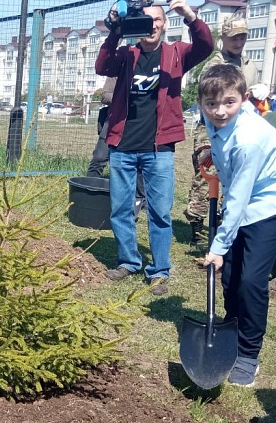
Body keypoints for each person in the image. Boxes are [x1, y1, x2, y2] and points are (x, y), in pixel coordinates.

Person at [95, 0, 213, 295]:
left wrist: (190, 16)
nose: (152, 25)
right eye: (146, 20)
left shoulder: (177, 54)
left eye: (157, 20)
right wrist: (114, 30)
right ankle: (128, 262)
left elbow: (205, 45)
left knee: (160, 211)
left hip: (159, 149)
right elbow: (101, 66)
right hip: (122, 146)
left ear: (164, 24)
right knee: (121, 209)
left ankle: (159, 270)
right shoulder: (126, 54)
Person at [199, 64, 276, 387]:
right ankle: (230, 336)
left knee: (250, 283)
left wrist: (217, 247)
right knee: (230, 279)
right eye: (212, 104)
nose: (219, 112)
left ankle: (247, 354)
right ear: (202, 101)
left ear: (244, 99)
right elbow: (219, 141)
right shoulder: (213, 116)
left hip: (267, 208)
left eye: (229, 103)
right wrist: (211, 152)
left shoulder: (249, 140)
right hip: (239, 202)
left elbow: (242, 199)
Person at [184, 11, 258, 247]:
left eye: (242, 37)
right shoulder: (215, 64)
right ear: (223, 38)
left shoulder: (249, 65)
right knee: (206, 175)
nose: (238, 42)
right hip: (210, 128)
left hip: (239, 127)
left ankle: (223, 224)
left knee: (234, 176)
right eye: (234, 37)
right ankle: (196, 224)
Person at [86, 77, 146, 216]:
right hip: (114, 121)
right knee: (99, 157)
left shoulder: (148, 72)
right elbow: (105, 95)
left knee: (139, 163)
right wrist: (126, 99)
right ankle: (89, 190)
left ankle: (141, 200)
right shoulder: (117, 72)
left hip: (138, 123)